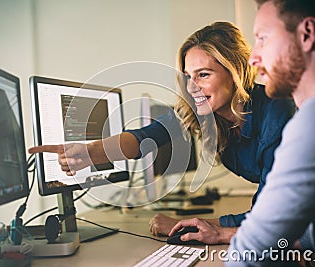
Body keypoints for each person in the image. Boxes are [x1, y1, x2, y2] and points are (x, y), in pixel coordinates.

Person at [28, 21, 296, 245]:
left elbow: (271, 217)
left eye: (203, 74)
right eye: (188, 78)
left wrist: (213, 228)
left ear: (235, 71)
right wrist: (92, 152)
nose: (193, 88)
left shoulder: (276, 115)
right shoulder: (204, 113)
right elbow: (146, 136)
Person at [169, 0, 315, 265]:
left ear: (307, 34)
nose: (253, 57)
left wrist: (222, 232)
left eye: (263, 38)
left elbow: (254, 249)